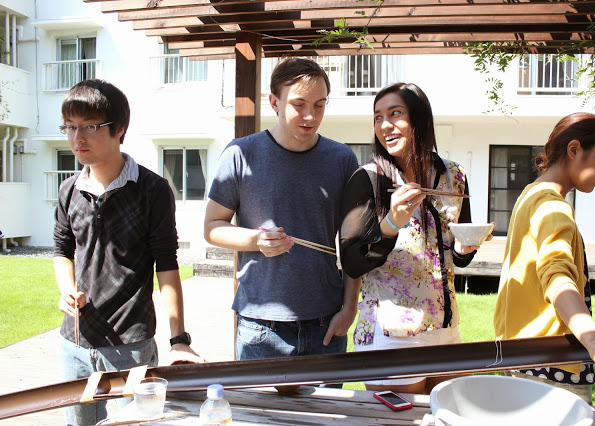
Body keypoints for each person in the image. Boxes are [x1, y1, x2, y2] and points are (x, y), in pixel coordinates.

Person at [203, 57, 360, 393]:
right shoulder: (240, 154)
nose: (310, 116)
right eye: (299, 105)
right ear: (274, 102)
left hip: (326, 323)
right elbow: (213, 226)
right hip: (259, 325)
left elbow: (353, 244)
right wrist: (255, 240)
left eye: (319, 106)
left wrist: (349, 308)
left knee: (328, 421)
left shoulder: (342, 159)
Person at [53, 79, 201, 425]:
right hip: (74, 343)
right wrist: (66, 291)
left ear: (120, 128)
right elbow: (62, 248)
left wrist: (178, 339)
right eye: (70, 128)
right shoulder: (69, 190)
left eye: (90, 127)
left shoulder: (151, 189)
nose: (78, 138)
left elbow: (166, 264)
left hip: (129, 346)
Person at [339, 82, 488, 394]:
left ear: (419, 120)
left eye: (395, 114)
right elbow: (352, 262)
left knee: (445, 414)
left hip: (445, 330)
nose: (385, 125)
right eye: (378, 117)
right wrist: (392, 223)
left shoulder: (454, 175)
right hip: (389, 332)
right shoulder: (370, 180)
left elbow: (456, 255)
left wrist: (465, 248)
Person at [494, 112, 595, 404]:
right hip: (552, 367)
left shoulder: (530, 195)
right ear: (574, 150)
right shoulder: (552, 207)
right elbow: (557, 277)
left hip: (520, 356)